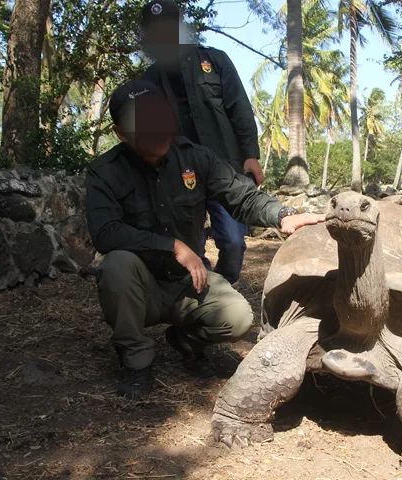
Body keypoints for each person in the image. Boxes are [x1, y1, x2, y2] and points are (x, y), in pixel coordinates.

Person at [85, 80, 323, 400]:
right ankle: (136, 361)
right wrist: (171, 246)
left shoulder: (195, 157)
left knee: (238, 318)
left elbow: (241, 196)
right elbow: (105, 232)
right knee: (116, 264)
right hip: (139, 286)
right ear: (121, 133)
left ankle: (187, 339)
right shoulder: (105, 171)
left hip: (189, 282)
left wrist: (283, 215)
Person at [138, 0, 263, 284]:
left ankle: (226, 285)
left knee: (233, 241)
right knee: (189, 248)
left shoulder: (215, 61)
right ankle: (205, 299)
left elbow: (239, 108)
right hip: (180, 177)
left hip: (224, 170)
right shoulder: (149, 80)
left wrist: (250, 155)